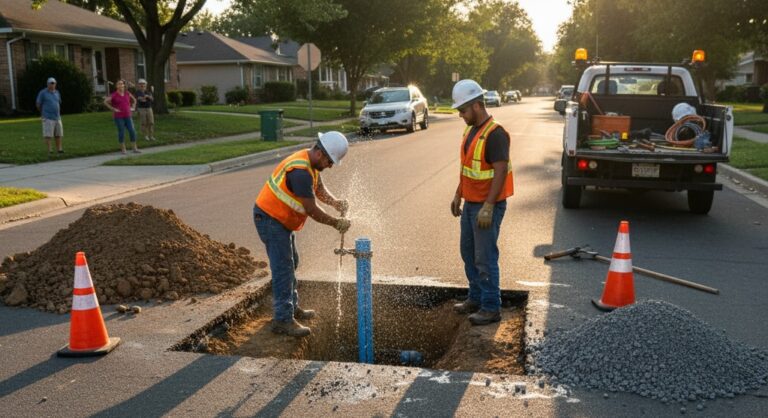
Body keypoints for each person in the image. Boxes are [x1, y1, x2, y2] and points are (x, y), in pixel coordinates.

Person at [253, 131, 351, 337]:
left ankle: (291, 308)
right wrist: (336, 223)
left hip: (280, 220)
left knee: (291, 263)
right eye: (330, 161)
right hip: (270, 219)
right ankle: (282, 320)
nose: (331, 166)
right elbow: (312, 209)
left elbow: (319, 189)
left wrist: (335, 203)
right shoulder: (300, 172)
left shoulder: (310, 165)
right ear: (320, 154)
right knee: (283, 267)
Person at [449, 79, 514, 326]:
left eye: (462, 110)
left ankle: (490, 307)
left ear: (476, 105)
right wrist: (458, 194)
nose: (460, 115)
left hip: (487, 206)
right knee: (468, 253)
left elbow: (500, 171)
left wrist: (488, 206)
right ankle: (475, 298)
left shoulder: (495, 134)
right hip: (470, 203)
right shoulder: (471, 130)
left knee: (484, 257)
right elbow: (468, 168)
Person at [104, 79, 140, 154]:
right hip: (119, 117)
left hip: (128, 116)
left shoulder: (127, 93)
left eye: (122, 84)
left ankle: (134, 148)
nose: (121, 85)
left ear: (124, 85)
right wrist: (113, 109)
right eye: (119, 84)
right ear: (116, 86)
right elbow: (105, 102)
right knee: (121, 132)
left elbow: (134, 100)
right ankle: (123, 149)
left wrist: (133, 106)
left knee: (132, 131)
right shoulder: (114, 95)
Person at [36, 77, 63, 157]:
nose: (52, 85)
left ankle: (59, 149)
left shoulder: (57, 92)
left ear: (55, 84)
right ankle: (50, 150)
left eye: (53, 83)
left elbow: (59, 102)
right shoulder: (43, 93)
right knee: (48, 135)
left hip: (57, 117)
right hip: (47, 117)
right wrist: (42, 113)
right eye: (51, 83)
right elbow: (38, 104)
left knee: (58, 134)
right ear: (47, 84)